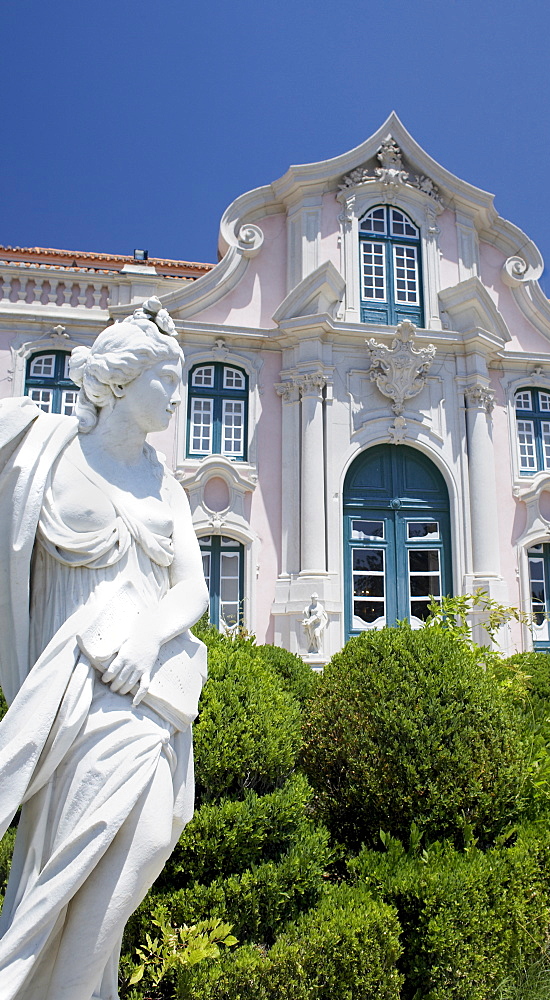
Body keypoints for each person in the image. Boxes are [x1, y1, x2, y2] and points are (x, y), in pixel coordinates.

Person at [0, 298, 209, 1000]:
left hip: (145, 689)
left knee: (150, 837)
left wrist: (150, 635)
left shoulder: (162, 481)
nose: (177, 396)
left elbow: (194, 591)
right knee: (67, 859)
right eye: (166, 380)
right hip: (72, 688)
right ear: (121, 380)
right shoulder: (47, 451)